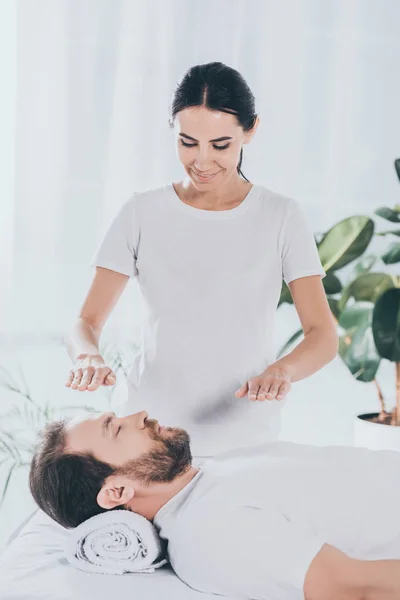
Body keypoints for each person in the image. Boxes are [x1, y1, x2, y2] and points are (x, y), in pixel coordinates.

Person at [64, 61, 337, 460]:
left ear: (251, 130)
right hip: (146, 432)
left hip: (244, 434)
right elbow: (84, 322)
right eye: (187, 142)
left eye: (221, 145)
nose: (202, 160)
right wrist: (88, 355)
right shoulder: (142, 212)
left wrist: (283, 370)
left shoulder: (280, 216)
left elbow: (322, 334)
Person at [30, 410, 400, 600]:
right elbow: (358, 589)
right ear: (116, 492)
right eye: (118, 429)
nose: (139, 414)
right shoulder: (210, 533)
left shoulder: (210, 473)